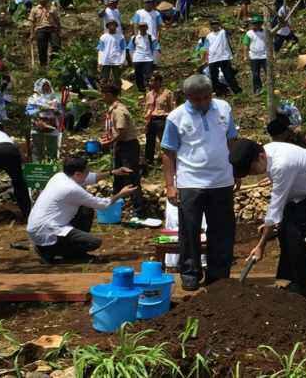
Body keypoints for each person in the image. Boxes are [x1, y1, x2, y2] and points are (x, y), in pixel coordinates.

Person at [231, 139, 306, 296]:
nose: (253, 174)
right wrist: (272, 226)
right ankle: (289, 278)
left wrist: (261, 245)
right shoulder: (268, 154)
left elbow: (275, 207)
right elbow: (279, 206)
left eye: (252, 170)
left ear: (260, 157)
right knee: (286, 228)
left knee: (292, 230)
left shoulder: (281, 164)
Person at [161, 74, 239, 291]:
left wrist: (237, 171)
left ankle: (219, 275)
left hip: (221, 181)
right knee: (189, 231)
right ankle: (190, 273)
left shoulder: (223, 108)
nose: (204, 102)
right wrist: (170, 184)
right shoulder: (176, 117)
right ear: (187, 97)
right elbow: (168, 152)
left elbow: (232, 140)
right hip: (190, 182)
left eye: (207, 97)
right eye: (198, 99)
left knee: (222, 230)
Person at [27, 157, 137, 264]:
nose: (88, 174)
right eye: (86, 172)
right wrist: (121, 194)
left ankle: (58, 249)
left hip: (38, 226)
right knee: (94, 242)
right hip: (47, 229)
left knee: (86, 210)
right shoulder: (71, 189)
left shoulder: (60, 176)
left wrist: (113, 172)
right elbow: (102, 204)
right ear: (77, 174)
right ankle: (49, 250)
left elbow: (90, 178)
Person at [99, 83, 145, 222]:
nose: (102, 97)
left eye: (103, 94)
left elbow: (121, 131)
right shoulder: (112, 109)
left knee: (130, 176)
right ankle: (115, 206)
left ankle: (138, 210)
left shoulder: (119, 110)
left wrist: (109, 142)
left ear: (109, 95)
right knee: (118, 175)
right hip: (120, 145)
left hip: (127, 146)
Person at [142, 73, 174, 170]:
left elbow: (172, 108)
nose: (151, 83)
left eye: (153, 80)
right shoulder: (149, 94)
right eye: (150, 81)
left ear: (159, 82)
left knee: (164, 141)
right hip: (152, 119)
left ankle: (168, 161)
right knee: (150, 141)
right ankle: (149, 162)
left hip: (162, 119)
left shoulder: (167, 93)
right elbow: (147, 108)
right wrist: (146, 121)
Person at [25, 78, 62, 162]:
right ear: (39, 87)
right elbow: (28, 112)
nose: (46, 88)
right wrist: (42, 108)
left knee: (52, 148)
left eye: (47, 86)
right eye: (43, 86)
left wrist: (55, 110)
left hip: (52, 125)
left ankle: (52, 167)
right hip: (37, 125)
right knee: (37, 148)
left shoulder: (55, 98)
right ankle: (37, 167)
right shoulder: (33, 98)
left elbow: (61, 113)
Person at [202, 18, 241, 95]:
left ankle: (237, 91)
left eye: (216, 24)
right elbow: (206, 48)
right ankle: (219, 91)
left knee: (228, 75)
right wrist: (206, 58)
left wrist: (222, 25)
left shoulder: (223, 32)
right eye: (212, 24)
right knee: (214, 77)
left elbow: (230, 31)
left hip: (224, 57)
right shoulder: (208, 36)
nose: (214, 26)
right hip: (212, 58)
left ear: (218, 25)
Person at [28, 0, 61, 67]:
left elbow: (57, 20)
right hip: (40, 29)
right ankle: (43, 65)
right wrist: (32, 34)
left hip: (52, 28)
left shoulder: (52, 8)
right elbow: (32, 22)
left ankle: (54, 63)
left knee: (56, 45)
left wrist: (59, 30)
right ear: (39, 0)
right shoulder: (35, 9)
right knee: (42, 48)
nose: (42, 0)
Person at [127, 22, 159, 92]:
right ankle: (141, 91)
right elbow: (130, 49)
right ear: (138, 28)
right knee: (138, 77)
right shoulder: (134, 38)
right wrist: (132, 60)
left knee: (149, 76)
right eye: (141, 27)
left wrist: (155, 61)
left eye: (144, 26)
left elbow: (155, 49)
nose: (142, 28)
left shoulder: (151, 37)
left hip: (148, 59)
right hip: (137, 59)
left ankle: (149, 90)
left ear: (147, 28)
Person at [242, 14, 267, 94]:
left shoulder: (265, 32)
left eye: (259, 23)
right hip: (254, 56)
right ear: (253, 24)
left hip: (265, 55)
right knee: (255, 74)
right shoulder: (249, 33)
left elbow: (269, 43)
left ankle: (270, 88)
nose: (257, 25)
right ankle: (257, 89)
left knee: (268, 73)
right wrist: (245, 55)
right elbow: (246, 45)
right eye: (255, 23)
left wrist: (272, 54)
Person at [97, 19, 126, 87]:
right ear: (107, 26)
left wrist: (122, 60)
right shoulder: (103, 37)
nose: (112, 26)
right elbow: (100, 50)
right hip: (106, 60)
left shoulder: (120, 37)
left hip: (117, 60)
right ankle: (104, 94)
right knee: (104, 79)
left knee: (117, 79)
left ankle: (117, 94)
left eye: (113, 24)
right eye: (110, 24)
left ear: (116, 26)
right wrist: (99, 61)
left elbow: (123, 49)